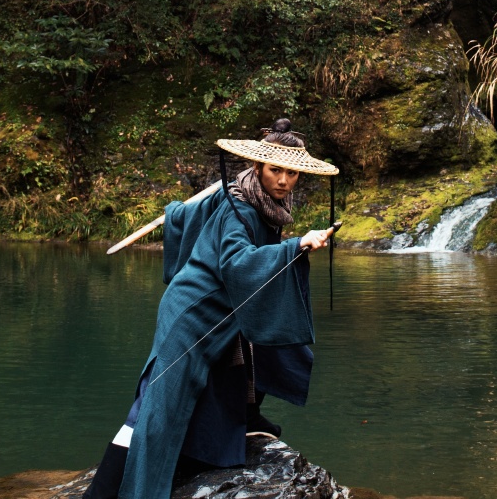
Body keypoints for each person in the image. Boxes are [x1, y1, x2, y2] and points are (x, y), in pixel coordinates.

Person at [83, 119, 339, 499]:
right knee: (156, 404)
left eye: (292, 172)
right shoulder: (241, 208)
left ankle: (244, 420)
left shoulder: (251, 197)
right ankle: (103, 493)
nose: (284, 180)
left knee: (248, 355)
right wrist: (296, 246)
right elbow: (237, 261)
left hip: (226, 308)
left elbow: (189, 215)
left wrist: (176, 214)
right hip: (193, 310)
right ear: (257, 168)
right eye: (275, 170)